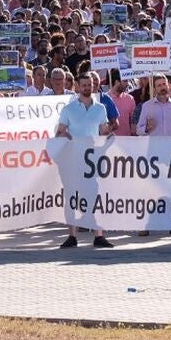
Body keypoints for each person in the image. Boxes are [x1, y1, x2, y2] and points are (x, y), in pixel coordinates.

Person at [56, 74, 115, 249]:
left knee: (95, 196)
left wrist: (108, 135)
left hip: (93, 160)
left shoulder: (101, 109)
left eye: (90, 84)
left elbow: (103, 130)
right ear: (77, 86)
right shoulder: (68, 109)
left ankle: (98, 235)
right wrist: (63, 135)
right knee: (72, 197)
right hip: (74, 158)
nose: (88, 87)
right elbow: (60, 131)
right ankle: (72, 236)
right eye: (84, 85)